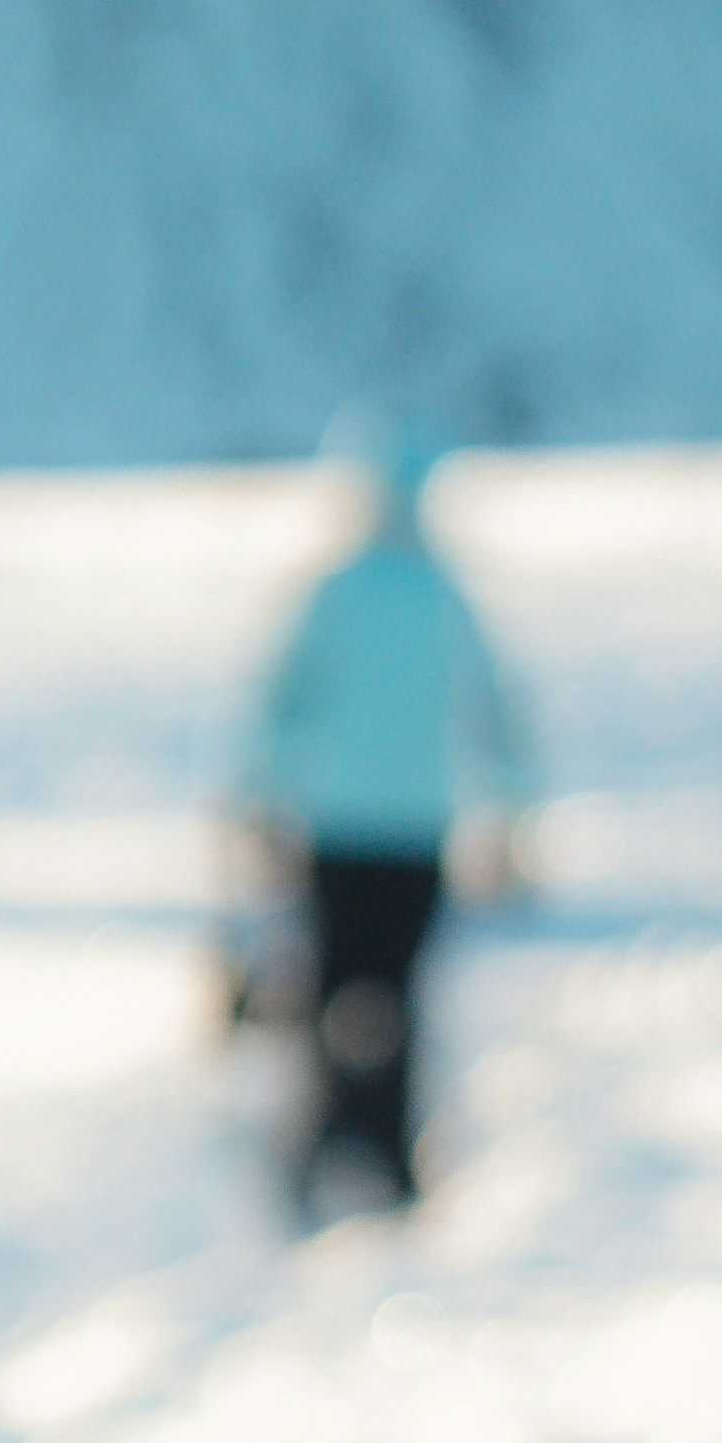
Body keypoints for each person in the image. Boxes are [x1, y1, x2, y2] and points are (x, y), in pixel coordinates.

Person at [231, 425, 530, 1214]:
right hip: (418, 834)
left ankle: (319, 1147)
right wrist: (512, 814)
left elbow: (278, 705)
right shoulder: (444, 594)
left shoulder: (331, 591)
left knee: (328, 990)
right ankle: (392, 1157)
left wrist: (256, 800)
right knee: (399, 996)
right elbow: (494, 712)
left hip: (333, 830)